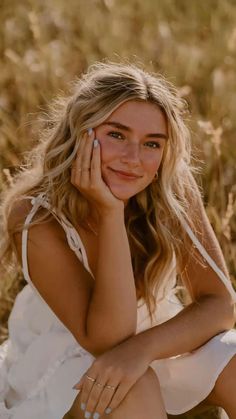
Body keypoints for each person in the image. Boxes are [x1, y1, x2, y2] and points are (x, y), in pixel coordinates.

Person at [0, 61, 235, 419]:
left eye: (152, 143)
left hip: (154, 343)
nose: (133, 159)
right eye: (116, 135)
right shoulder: (35, 216)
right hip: (67, 362)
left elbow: (220, 305)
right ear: (81, 133)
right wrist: (110, 213)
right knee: (129, 389)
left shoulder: (169, 182)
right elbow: (107, 340)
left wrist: (142, 350)